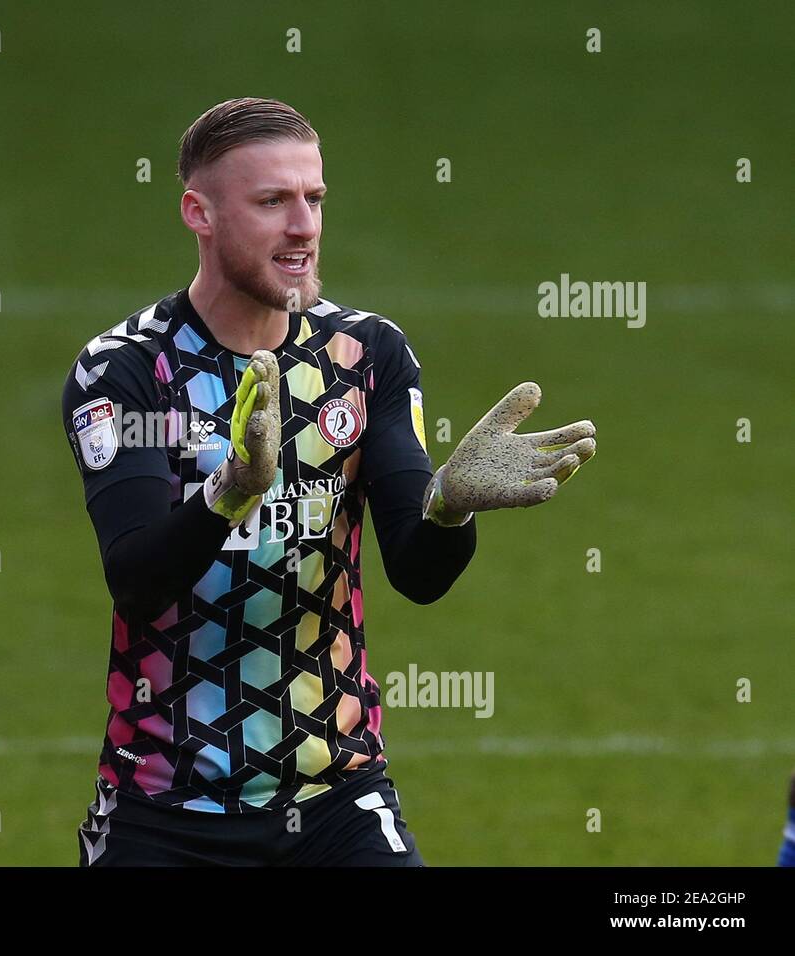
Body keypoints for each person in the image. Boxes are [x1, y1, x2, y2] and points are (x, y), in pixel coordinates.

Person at [60, 97, 596, 866]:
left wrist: (448, 509)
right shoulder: (129, 370)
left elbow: (416, 571)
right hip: (164, 809)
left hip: (335, 800)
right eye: (272, 201)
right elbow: (138, 579)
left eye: (313, 198)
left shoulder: (365, 355)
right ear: (198, 213)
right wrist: (232, 491)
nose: (303, 225)